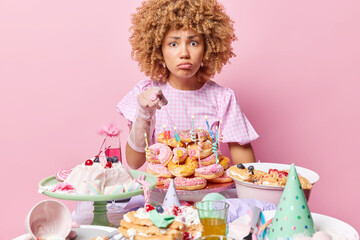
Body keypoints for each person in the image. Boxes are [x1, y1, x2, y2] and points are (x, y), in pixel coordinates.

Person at [117, 0, 258, 169]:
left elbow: (248, 169)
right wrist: (144, 114)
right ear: (158, 49)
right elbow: (134, 163)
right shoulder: (146, 93)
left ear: (207, 48)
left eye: (193, 43)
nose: (184, 53)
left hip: (209, 193)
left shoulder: (222, 98)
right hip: (160, 192)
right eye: (173, 44)